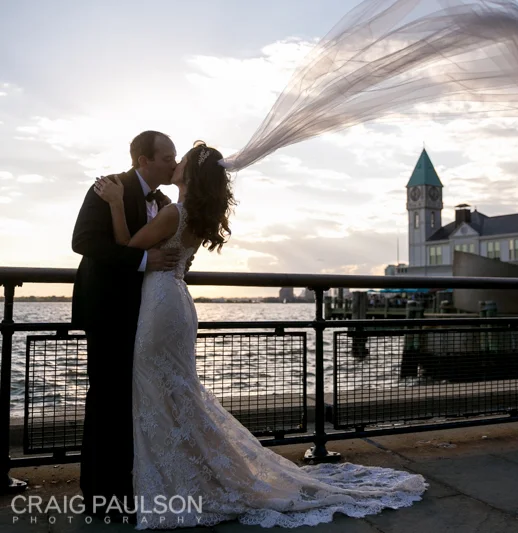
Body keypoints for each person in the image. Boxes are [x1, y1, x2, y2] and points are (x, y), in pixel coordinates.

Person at [93, 142, 427, 529]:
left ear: (191, 173)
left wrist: (117, 204)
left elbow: (126, 248)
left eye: (181, 158)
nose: (176, 162)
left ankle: (183, 480)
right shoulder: (197, 216)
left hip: (160, 304)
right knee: (178, 393)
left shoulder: (173, 212)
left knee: (161, 391)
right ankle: (195, 474)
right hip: (176, 303)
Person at [72, 130, 181, 518]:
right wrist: (141, 262)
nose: (173, 162)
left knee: (135, 401)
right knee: (106, 401)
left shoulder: (166, 202)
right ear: (143, 160)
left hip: (143, 315)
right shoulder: (108, 187)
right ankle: (100, 496)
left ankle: (130, 486)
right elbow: (83, 241)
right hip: (106, 311)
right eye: (167, 156)